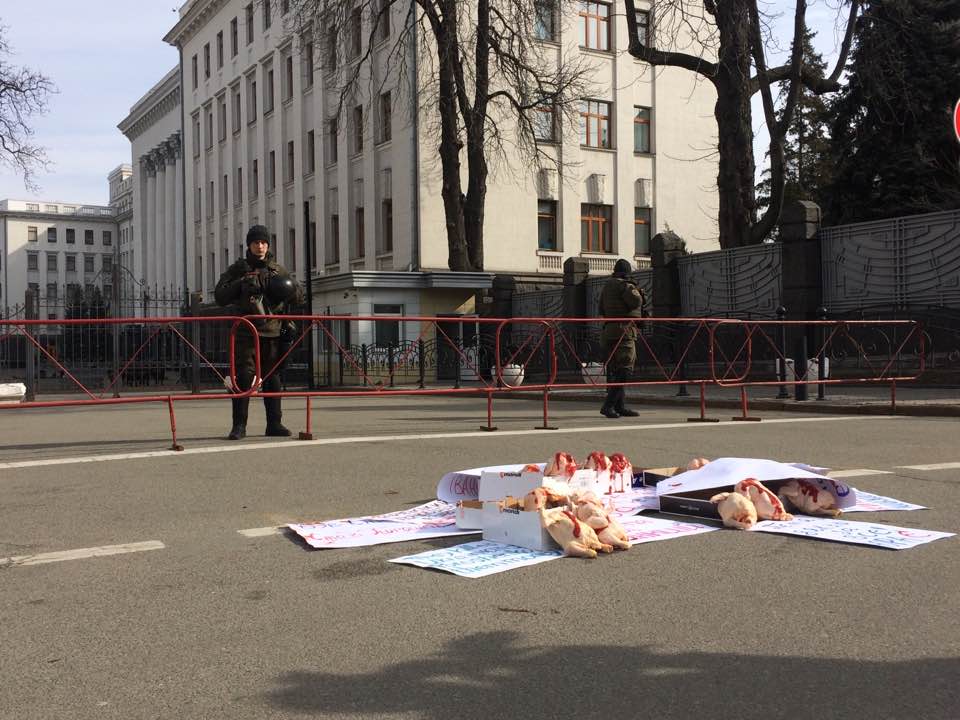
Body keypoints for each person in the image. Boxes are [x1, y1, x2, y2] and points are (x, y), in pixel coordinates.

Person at [215, 224, 304, 440]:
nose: (260, 246)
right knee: (243, 377)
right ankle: (239, 426)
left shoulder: (277, 269)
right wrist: (241, 283)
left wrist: (286, 288)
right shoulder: (238, 269)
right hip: (246, 332)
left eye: (264, 242)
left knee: (273, 378)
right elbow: (220, 296)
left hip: (273, 331)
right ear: (249, 245)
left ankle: (274, 423)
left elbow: (298, 296)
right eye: (256, 242)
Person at [598, 258, 645, 419]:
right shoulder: (625, 285)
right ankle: (608, 405)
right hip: (624, 331)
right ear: (626, 273)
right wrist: (637, 290)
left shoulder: (606, 286)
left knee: (616, 369)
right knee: (625, 368)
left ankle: (620, 406)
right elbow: (636, 301)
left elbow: (601, 309)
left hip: (609, 331)